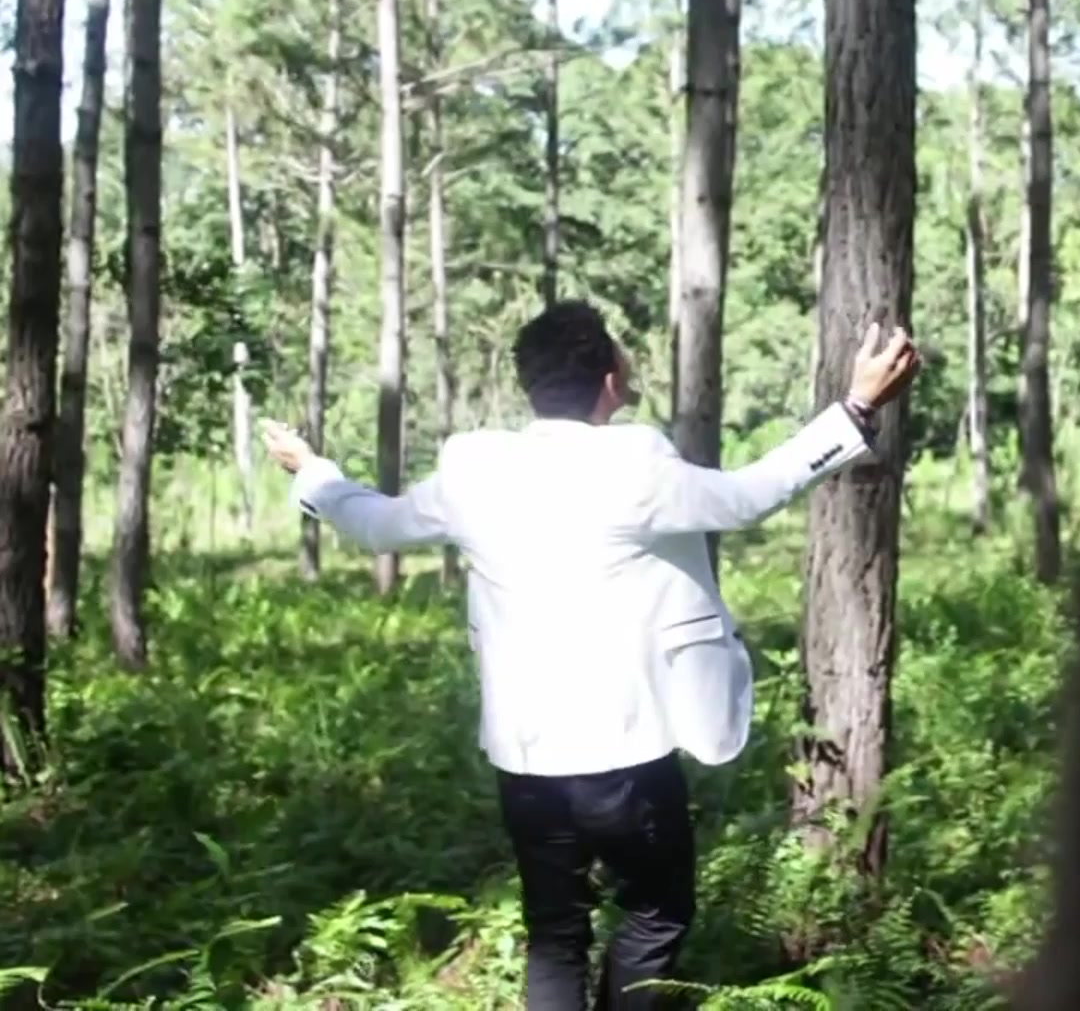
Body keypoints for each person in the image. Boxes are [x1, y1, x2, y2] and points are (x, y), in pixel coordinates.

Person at [260, 300, 919, 1010]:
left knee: (555, 932)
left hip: (525, 760)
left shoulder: (475, 470)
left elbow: (375, 524)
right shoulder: (633, 465)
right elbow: (747, 496)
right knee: (657, 911)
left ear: (529, 383)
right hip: (624, 756)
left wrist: (312, 471)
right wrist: (856, 407)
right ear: (610, 379)